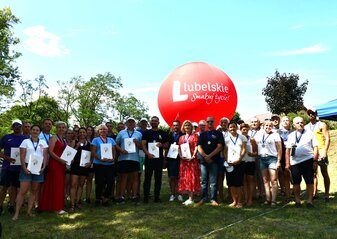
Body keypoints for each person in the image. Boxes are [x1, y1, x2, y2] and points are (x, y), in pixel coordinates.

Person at [12, 125, 48, 220]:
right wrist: (24, 168)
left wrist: (43, 167)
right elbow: (22, 156)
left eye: (37, 130)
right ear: (31, 131)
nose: (35, 131)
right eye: (33, 130)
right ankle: (16, 213)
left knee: (34, 191)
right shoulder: (25, 142)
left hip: (38, 168)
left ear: (39, 132)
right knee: (23, 191)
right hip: (27, 167)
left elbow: (45, 156)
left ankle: (29, 211)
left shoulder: (43, 142)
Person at [286, 116, 318, 208]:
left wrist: (315, 160)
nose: (300, 124)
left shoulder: (310, 133)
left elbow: (315, 147)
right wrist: (287, 164)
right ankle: (297, 201)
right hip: (295, 163)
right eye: (298, 123)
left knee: (309, 182)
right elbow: (287, 150)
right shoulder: (291, 135)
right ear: (294, 125)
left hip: (308, 160)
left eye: (302, 122)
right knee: (296, 183)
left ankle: (309, 201)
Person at [39, 121, 68, 214]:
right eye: (59, 127)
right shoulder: (53, 138)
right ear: (56, 128)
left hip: (62, 164)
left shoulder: (64, 140)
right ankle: (56, 208)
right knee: (56, 184)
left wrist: (68, 160)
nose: (61, 129)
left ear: (65, 129)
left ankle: (52, 205)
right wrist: (60, 160)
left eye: (63, 127)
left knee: (58, 185)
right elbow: (50, 152)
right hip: (55, 164)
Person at [196, 116, 224, 206]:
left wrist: (210, 156)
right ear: (206, 123)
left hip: (214, 161)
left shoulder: (218, 133)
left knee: (213, 181)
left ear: (214, 122)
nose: (210, 123)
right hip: (204, 161)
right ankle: (203, 198)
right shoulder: (202, 134)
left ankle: (213, 199)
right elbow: (199, 146)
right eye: (208, 122)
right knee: (204, 181)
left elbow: (220, 147)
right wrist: (205, 156)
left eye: (211, 121)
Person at [0, 119, 26, 215]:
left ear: (21, 126)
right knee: (4, 187)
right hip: (7, 167)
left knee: (14, 187)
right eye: (15, 125)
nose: (16, 127)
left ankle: (11, 205)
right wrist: (6, 158)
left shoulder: (25, 139)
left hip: (19, 168)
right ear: (12, 127)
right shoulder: (6, 137)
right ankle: (0, 205)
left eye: (18, 125)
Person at [304, 107, 331, 202]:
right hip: (311, 152)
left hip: (321, 151)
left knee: (324, 173)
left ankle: (327, 194)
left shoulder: (322, 124)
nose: (311, 115)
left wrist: (325, 150)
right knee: (313, 174)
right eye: (309, 113)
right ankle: (314, 193)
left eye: (313, 113)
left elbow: (327, 138)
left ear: (316, 114)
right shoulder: (306, 127)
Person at [141, 116, 169, 203]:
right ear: (150, 122)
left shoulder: (163, 133)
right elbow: (143, 144)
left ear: (158, 122)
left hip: (159, 160)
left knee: (158, 178)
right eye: (152, 121)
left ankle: (157, 197)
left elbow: (167, 145)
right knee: (147, 178)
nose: (154, 122)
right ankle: (146, 197)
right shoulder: (146, 132)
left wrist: (162, 145)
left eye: (155, 121)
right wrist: (148, 154)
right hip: (149, 159)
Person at [115, 117, 142, 204]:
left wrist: (137, 143)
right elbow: (115, 144)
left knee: (135, 178)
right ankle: (121, 196)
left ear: (135, 124)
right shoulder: (121, 133)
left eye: (132, 122)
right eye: (129, 122)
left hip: (135, 159)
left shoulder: (139, 134)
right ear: (126, 124)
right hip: (123, 158)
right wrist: (121, 150)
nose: (130, 123)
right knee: (124, 178)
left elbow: (142, 146)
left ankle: (134, 196)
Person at [255, 120, 282, 206]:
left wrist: (278, 161)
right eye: (266, 125)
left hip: (272, 159)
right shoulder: (259, 134)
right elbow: (253, 142)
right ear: (263, 126)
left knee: (273, 180)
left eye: (270, 125)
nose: (268, 127)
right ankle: (267, 199)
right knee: (265, 180)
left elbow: (279, 149)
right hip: (262, 158)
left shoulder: (275, 134)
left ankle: (273, 200)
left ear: (272, 126)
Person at [91, 124, 117, 206]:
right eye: (101, 129)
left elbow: (114, 151)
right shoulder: (95, 140)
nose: (103, 131)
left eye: (104, 129)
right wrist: (100, 159)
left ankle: (106, 198)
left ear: (107, 131)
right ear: (98, 131)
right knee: (100, 182)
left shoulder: (111, 140)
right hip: (99, 164)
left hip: (110, 164)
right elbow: (93, 152)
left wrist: (113, 158)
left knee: (110, 181)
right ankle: (98, 198)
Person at [224, 122, 247, 208]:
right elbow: (225, 151)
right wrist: (227, 160)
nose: (232, 128)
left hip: (239, 162)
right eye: (230, 127)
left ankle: (240, 201)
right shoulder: (226, 138)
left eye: (234, 127)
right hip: (229, 163)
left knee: (239, 182)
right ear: (228, 128)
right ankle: (234, 201)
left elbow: (244, 149)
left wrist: (239, 159)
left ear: (237, 128)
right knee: (231, 183)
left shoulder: (242, 137)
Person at [177, 120, 200, 206]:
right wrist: (180, 156)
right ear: (183, 127)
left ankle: (191, 198)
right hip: (184, 161)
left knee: (191, 178)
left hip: (192, 160)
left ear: (191, 127)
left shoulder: (195, 136)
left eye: (189, 125)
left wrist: (193, 156)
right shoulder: (181, 137)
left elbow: (196, 147)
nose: (187, 127)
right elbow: (179, 148)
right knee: (185, 177)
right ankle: (188, 197)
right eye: (185, 125)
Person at [69, 127, 91, 212]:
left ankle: (78, 201)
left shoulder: (89, 144)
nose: (82, 134)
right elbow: (70, 154)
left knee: (81, 185)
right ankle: (72, 204)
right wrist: (76, 147)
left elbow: (91, 156)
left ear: (86, 133)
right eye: (80, 132)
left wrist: (90, 163)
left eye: (83, 132)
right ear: (78, 133)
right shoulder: (74, 142)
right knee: (73, 184)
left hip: (84, 167)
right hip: (75, 166)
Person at [166, 120, 183, 202]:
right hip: (171, 159)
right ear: (172, 126)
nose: (175, 127)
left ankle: (179, 193)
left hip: (180, 159)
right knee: (172, 177)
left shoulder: (183, 135)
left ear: (180, 126)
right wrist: (165, 159)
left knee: (179, 177)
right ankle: (172, 194)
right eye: (174, 125)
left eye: (177, 125)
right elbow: (166, 147)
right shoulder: (169, 135)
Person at [241, 123, 257, 206]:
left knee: (250, 180)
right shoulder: (238, 139)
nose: (245, 131)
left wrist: (252, 154)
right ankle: (245, 199)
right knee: (243, 181)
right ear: (240, 130)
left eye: (247, 129)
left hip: (250, 162)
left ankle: (250, 199)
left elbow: (256, 152)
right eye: (243, 129)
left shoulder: (252, 139)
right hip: (241, 162)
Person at [277, 116, 293, 202]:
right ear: (281, 123)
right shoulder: (277, 132)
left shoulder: (294, 132)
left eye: (287, 120)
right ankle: (288, 196)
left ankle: (295, 192)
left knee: (294, 175)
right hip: (283, 155)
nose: (286, 122)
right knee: (285, 174)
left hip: (293, 155)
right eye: (284, 120)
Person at [217, 117, 229, 203]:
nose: (224, 124)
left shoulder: (231, 132)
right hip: (220, 158)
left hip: (229, 158)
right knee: (220, 178)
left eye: (225, 122)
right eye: (222, 122)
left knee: (229, 178)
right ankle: (220, 196)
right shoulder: (217, 133)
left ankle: (230, 196)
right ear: (220, 124)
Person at [136, 118, 148, 197]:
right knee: (138, 175)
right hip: (139, 155)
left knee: (147, 175)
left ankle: (146, 192)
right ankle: (137, 192)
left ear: (147, 123)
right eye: (142, 122)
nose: (143, 124)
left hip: (148, 155)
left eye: (145, 122)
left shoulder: (149, 131)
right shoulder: (137, 132)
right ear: (140, 123)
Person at [84, 126, 95, 204]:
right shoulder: (81, 140)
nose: (89, 131)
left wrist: (91, 161)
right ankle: (78, 198)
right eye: (88, 130)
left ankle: (87, 198)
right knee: (80, 181)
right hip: (82, 162)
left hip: (91, 162)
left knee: (89, 180)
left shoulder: (94, 140)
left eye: (91, 130)